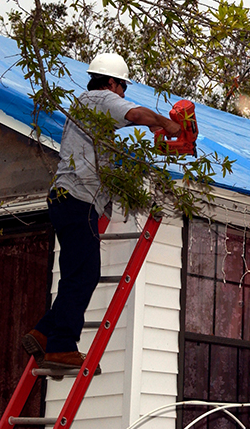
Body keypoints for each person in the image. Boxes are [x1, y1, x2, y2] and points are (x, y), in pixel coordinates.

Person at [22, 52, 181, 373]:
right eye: (123, 88)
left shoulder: (87, 108)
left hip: (69, 201)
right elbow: (135, 115)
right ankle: (61, 348)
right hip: (77, 201)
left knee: (76, 274)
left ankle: (43, 333)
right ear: (112, 83)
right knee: (85, 274)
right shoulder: (100, 98)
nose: (123, 95)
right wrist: (167, 124)